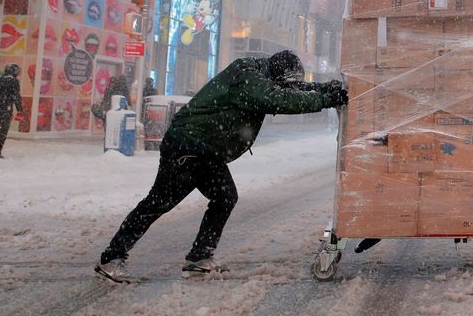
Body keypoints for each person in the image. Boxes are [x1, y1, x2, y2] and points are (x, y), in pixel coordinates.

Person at [94, 51, 348, 283]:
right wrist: (325, 99)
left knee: (225, 197)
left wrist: (325, 88)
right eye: (285, 83)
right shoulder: (248, 77)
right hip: (188, 146)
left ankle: (199, 258)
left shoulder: (262, 75)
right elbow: (278, 98)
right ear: (274, 75)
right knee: (158, 202)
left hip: (206, 151)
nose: (289, 88)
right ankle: (111, 258)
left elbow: (290, 89)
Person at [0, 64, 23, 159]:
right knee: (2, 131)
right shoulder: (14, 81)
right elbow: (16, 96)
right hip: (5, 109)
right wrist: (19, 110)